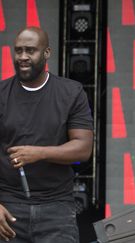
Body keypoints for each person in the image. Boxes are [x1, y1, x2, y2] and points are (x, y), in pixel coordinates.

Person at [0, 27, 93, 242]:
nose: (23, 57)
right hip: (8, 206)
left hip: (56, 209)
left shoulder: (71, 92)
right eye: (18, 51)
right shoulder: (2, 94)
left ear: (47, 53)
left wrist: (39, 153)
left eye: (30, 51)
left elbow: (83, 148)